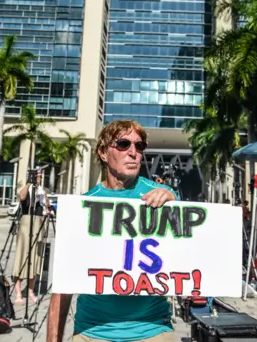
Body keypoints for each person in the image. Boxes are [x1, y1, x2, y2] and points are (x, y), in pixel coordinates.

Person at [47, 120, 177, 342]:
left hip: (152, 331)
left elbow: (190, 248)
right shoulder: (84, 205)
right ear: (103, 153)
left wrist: (175, 204)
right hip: (93, 332)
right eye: (124, 144)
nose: (133, 152)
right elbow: (62, 285)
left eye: (140, 146)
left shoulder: (162, 195)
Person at [13, 171, 50, 304]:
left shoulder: (41, 191)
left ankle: (30, 291)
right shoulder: (25, 189)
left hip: (38, 224)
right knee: (22, 256)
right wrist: (28, 183)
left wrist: (46, 200)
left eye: (39, 177)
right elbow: (22, 198)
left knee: (35, 258)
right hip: (26, 223)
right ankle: (18, 293)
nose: (37, 179)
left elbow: (46, 206)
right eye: (36, 177)